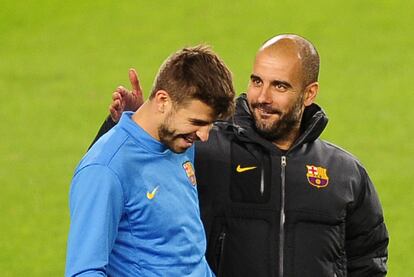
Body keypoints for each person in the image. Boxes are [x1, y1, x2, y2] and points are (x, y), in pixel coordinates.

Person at [93, 34, 389, 276]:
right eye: (257, 81)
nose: (263, 97)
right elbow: (109, 179)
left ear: (309, 93)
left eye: (280, 86)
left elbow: (369, 258)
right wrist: (130, 124)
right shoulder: (206, 147)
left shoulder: (344, 173)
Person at [65, 45, 236, 276]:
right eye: (197, 122)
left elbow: (183, 249)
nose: (204, 136)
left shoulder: (179, 142)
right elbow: (84, 271)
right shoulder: (105, 169)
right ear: (163, 101)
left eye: (210, 124)